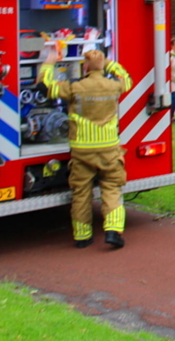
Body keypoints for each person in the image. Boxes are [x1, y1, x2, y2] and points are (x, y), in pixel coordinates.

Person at [39, 49, 132, 249]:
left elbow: (46, 87)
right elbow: (127, 79)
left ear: (85, 67)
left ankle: (82, 237)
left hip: (82, 150)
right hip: (108, 148)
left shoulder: (75, 87)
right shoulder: (114, 86)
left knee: (81, 192)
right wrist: (109, 64)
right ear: (103, 66)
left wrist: (50, 62)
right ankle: (113, 231)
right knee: (112, 188)